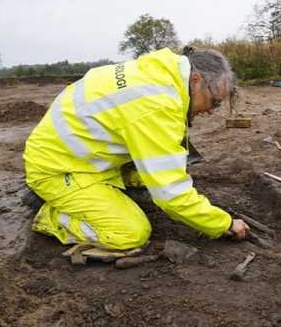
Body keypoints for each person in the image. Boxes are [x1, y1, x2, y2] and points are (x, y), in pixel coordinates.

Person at [23, 47, 250, 250]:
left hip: (78, 154)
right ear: (196, 80)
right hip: (58, 169)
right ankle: (52, 214)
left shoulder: (159, 72)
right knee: (130, 233)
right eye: (215, 102)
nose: (211, 111)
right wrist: (224, 223)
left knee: (151, 179)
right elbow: (171, 195)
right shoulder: (156, 106)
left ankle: (91, 192)